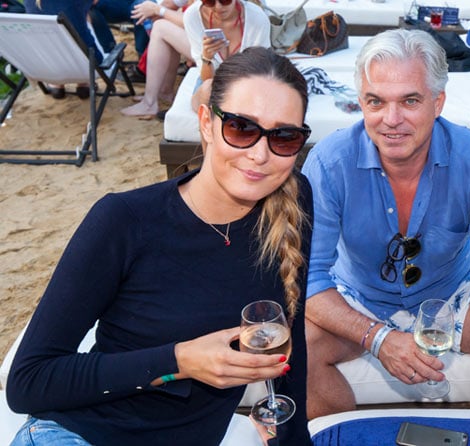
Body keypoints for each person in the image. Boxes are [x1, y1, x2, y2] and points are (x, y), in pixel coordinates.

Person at [7, 47, 314, 446]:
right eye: (241, 128)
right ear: (206, 123)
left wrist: (294, 438)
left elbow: (292, 334)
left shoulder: (292, 202)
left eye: (284, 137)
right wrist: (179, 361)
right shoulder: (125, 220)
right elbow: (29, 381)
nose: (260, 155)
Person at [301, 28, 470, 446]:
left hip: (451, 293)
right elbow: (309, 277)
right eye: (376, 102)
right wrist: (377, 337)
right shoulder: (329, 161)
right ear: (361, 103)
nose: (391, 119)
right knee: (300, 350)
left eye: (410, 101)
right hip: (357, 295)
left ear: (438, 102)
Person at [184, 0, 270, 112]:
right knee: (207, 90)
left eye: (225, 0)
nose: (218, 7)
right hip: (212, 81)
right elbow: (207, 79)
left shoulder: (257, 18)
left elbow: (260, 69)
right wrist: (207, 58)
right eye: (209, 1)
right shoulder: (193, 16)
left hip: (248, 80)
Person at [121, 0, 195, 117]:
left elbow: (194, 21)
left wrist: (158, 10)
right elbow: (172, 4)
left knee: (160, 27)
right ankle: (165, 91)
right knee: (166, 23)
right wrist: (154, 11)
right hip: (209, 41)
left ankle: (149, 103)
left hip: (216, 51)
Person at [25, 0, 101, 99]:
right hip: (88, 66)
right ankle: (83, 83)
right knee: (84, 17)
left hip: (47, 68)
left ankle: (56, 85)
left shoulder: (28, 2)